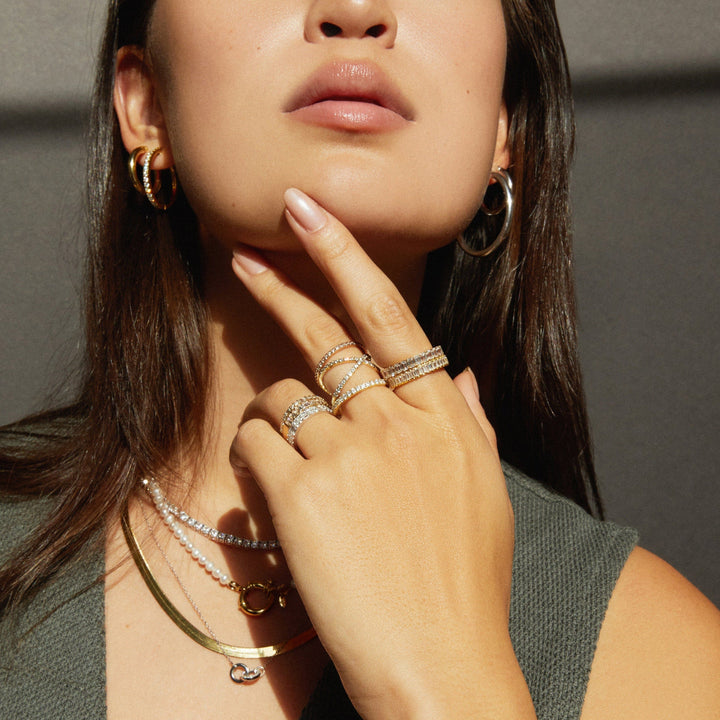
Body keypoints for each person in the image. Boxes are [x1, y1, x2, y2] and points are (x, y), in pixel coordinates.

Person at [1, 0, 718, 717]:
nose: (354, 9)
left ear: (502, 129)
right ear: (146, 105)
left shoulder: (664, 656)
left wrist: (450, 682)